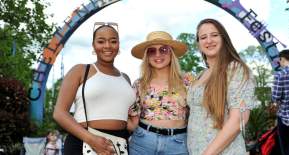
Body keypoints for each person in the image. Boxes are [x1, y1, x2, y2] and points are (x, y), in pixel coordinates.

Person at [53, 22, 136, 154]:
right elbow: (59, 113)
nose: (107, 46)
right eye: (101, 41)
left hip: (119, 145)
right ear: (93, 45)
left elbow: (128, 119)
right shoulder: (80, 70)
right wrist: (91, 139)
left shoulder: (125, 78)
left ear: (118, 45)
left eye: (113, 41)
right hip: (83, 142)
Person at [187, 18, 258, 155]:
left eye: (214, 35)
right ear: (199, 44)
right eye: (203, 37)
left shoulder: (236, 70)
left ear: (224, 38)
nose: (209, 41)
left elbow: (239, 120)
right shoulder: (201, 74)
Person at [128, 31, 191, 155]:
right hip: (142, 143)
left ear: (171, 53)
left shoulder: (187, 82)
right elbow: (133, 124)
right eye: (152, 51)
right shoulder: (139, 84)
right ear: (147, 56)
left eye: (163, 49)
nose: (158, 54)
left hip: (178, 144)